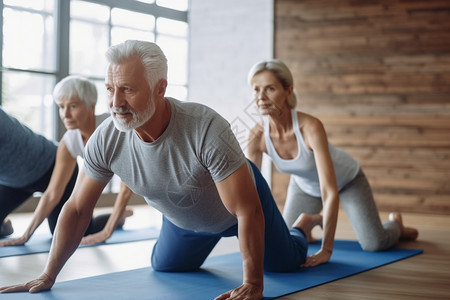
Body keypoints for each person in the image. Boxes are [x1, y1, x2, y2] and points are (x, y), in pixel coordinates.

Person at [0, 41, 320, 300]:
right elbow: (78, 207)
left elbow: (247, 210)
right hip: (183, 217)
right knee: (164, 267)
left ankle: (302, 226)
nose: (116, 103)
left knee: (286, 263)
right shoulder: (107, 137)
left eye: (128, 89)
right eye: (111, 89)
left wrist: (253, 283)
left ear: (159, 88)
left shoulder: (206, 128)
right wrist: (48, 274)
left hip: (239, 206)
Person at [246, 59, 419, 267]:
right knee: (285, 243)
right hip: (303, 187)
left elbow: (330, 191)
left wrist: (326, 250)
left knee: (375, 243)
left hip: (346, 181)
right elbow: (252, 191)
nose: (261, 97)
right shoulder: (257, 136)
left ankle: (396, 226)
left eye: (270, 89)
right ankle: (311, 222)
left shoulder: (310, 127)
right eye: (256, 90)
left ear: (288, 91)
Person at [0, 76, 133, 247]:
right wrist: (25, 236)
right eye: (61, 107)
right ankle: (120, 216)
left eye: (73, 106)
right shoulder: (69, 141)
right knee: (62, 231)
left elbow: (126, 187)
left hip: (150, 178)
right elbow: (52, 193)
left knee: (75, 229)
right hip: (18, 178)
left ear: (91, 106)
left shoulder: (113, 129)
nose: (65, 114)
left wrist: (106, 233)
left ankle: (117, 217)